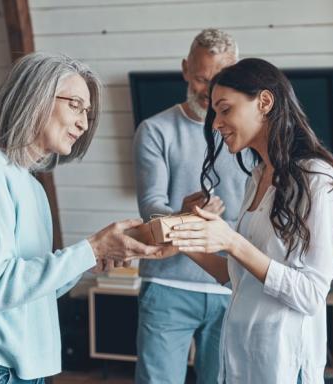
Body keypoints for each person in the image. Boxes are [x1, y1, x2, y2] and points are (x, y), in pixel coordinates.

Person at [0, 52, 164, 384]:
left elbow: (28, 289)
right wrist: (90, 248)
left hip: (15, 367)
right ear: (35, 97)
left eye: (87, 112)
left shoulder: (31, 186)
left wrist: (89, 260)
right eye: (75, 105)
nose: (84, 122)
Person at [165, 58, 333, 383]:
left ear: (264, 102)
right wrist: (184, 240)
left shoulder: (316, 179)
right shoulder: (257, 177)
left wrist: (232, 241)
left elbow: (311, 294)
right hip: (240, 360)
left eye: (225, 109)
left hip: (283, 365)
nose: (216, 123)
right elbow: (241, 276)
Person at [132, 29, 249, 384]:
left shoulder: (250, 135)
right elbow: (150, 207)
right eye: (201, 78)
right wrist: (182, 216)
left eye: (219, 79)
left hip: (234, 286)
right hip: (168, 288)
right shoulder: (155, 130)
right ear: (185, 70)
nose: (209, 90)